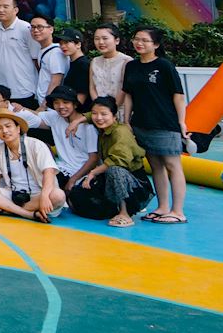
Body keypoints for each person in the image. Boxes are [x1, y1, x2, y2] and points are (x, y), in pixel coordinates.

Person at [120, 25, 191, 224]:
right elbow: (128, 95)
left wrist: (181, 122)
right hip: (141, 123)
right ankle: (162, 207)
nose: (139, 43)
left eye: (144, 40)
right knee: (156, 166)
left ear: (156, 45)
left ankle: (178, 211)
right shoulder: (131, 66)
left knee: (172, 165)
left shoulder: (164, 66)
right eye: (136, 39)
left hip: (165, 123)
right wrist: (126, 120)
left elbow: (178, 96)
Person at [0, 109, 65, 221]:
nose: (4, 131)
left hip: (39, 195)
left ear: (18, 128)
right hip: (13, 195)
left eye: (8, 126)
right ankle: (27, 214)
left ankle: (7, 210)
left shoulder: (36, 145)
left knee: (58, 195)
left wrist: (44, 196)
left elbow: (49, 172)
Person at [71, 98, 152, 227]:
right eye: (95, 113)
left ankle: (125, 212)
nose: (99, 118)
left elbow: (117, 160)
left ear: (114, 116)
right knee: (77, 196)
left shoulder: (120, 132)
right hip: (109, 178)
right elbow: (92, 116)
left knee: (115, 169)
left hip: (134, 185)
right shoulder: (103, 126)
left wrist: (93, 173)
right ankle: (114, 208)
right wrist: (76, 121)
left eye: (104, 114)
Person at [43, 85, 97, 185]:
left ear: (75, 105)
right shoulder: (54, 117)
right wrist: (20, 107)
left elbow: (93, 159)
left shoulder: (89, 127)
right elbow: (32, 116)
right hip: (62, 169)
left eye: (66, 102)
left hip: (83, 173)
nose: (61, 106)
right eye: (56, 102)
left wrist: (73, 179)